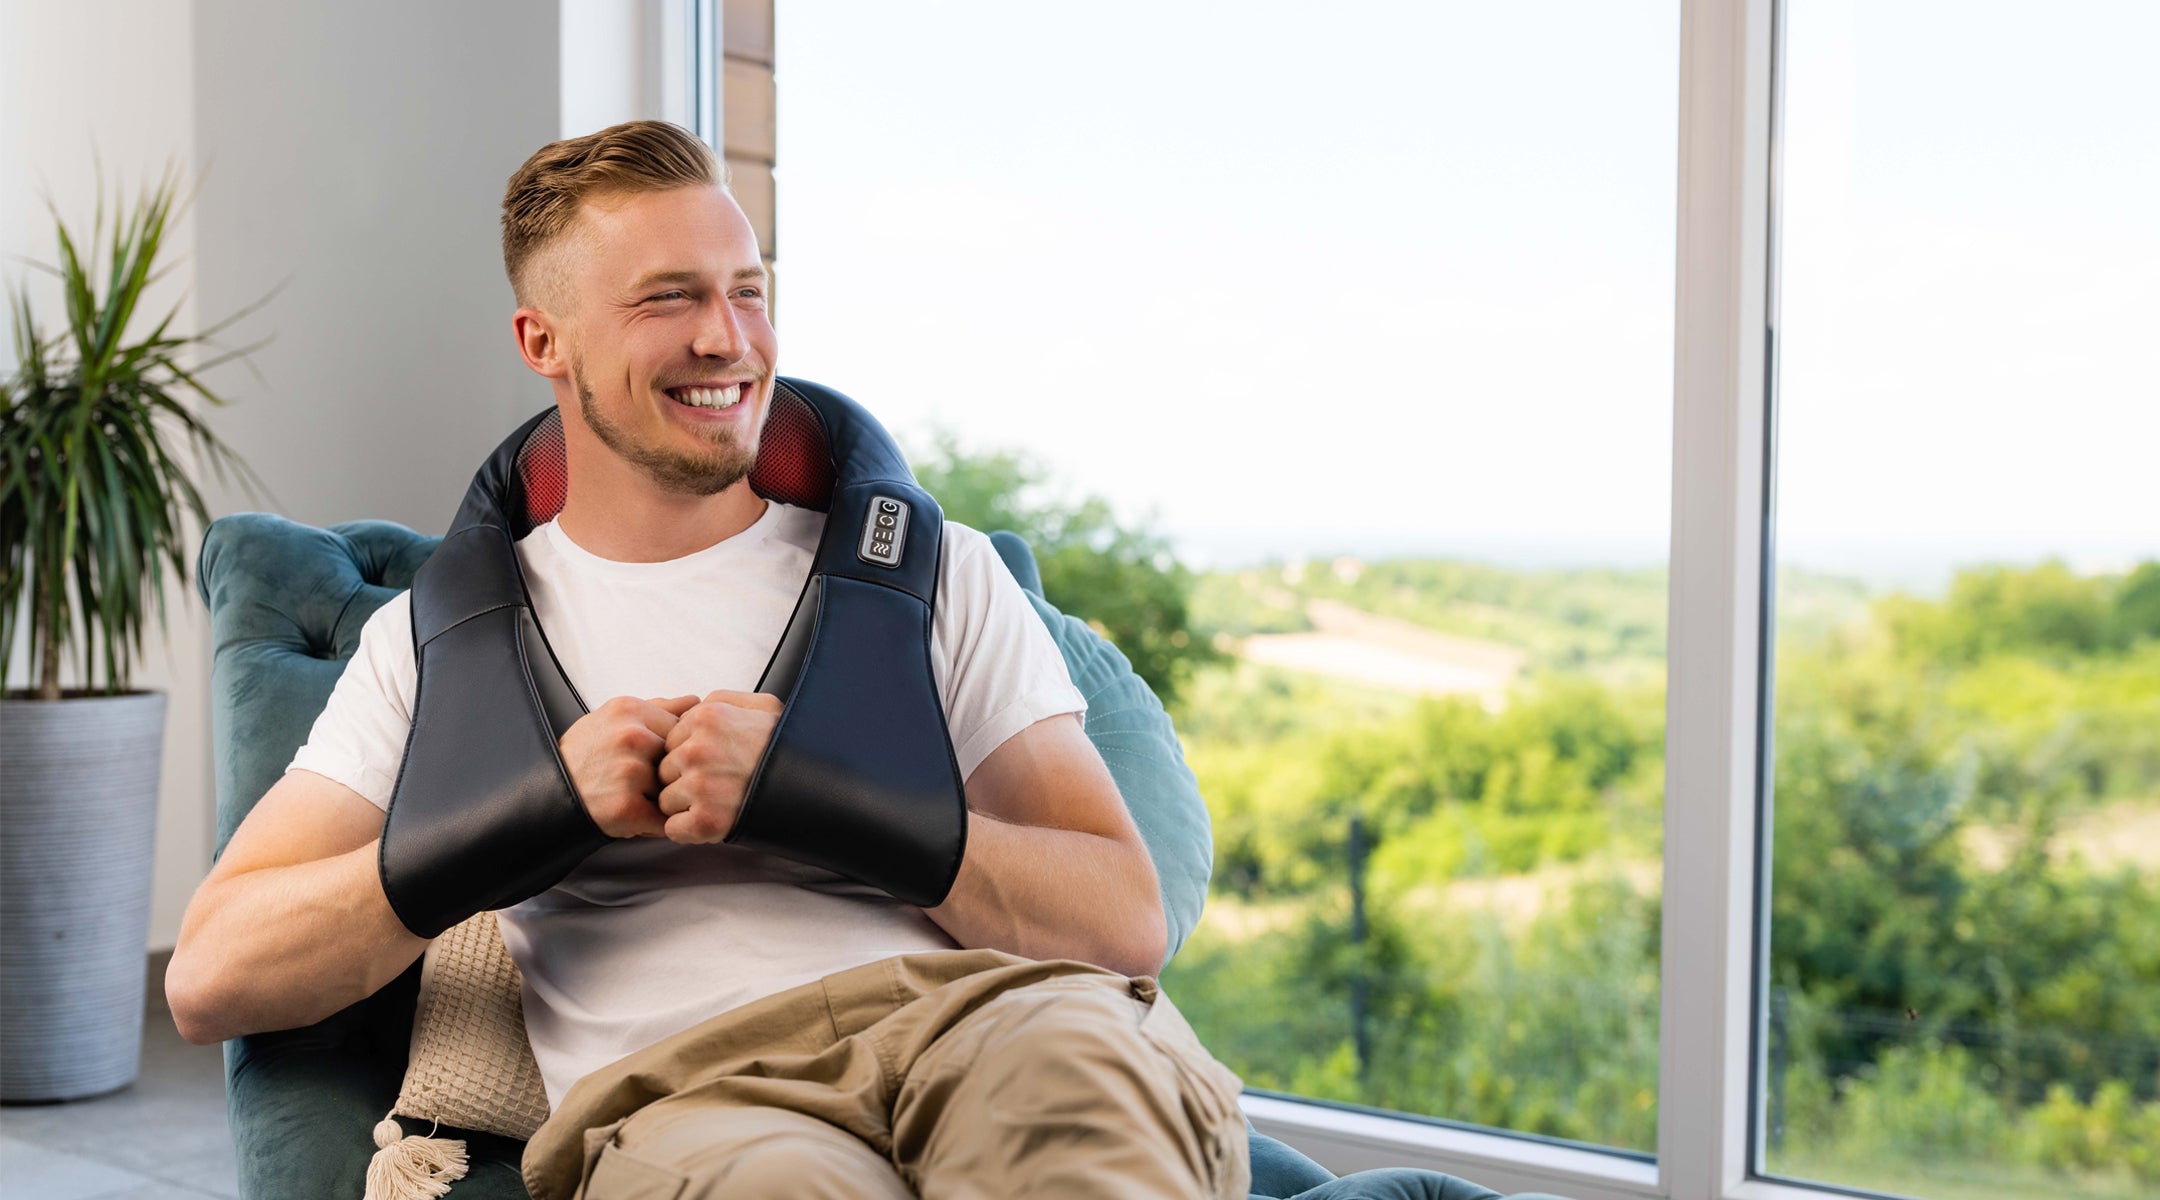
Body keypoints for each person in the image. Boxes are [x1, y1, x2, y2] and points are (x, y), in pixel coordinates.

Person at [166, 119, 1252, 1200]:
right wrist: (530, 812)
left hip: (992, 1033)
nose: (728, 338)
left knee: (1089, 1112)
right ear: (544, 341)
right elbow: (212, 977)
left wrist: (830, 794)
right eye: (668, 297)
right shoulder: (441, 640)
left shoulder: (934, 575)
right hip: (692, 1098)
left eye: (747, 289)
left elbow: (1121, 926)